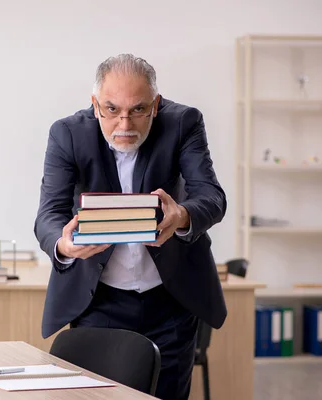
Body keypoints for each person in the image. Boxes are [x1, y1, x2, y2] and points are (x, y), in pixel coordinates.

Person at [34, 54, 227, 400]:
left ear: (155, 105)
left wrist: (181, 215)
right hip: (99, 302)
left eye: (138, 110)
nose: (124, 124)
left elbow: (211, 196)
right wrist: (63, 245)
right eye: (111, 110)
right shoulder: (67, 134)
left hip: (171, 301)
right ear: (95, 105)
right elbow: (48, 215)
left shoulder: (183, 122)